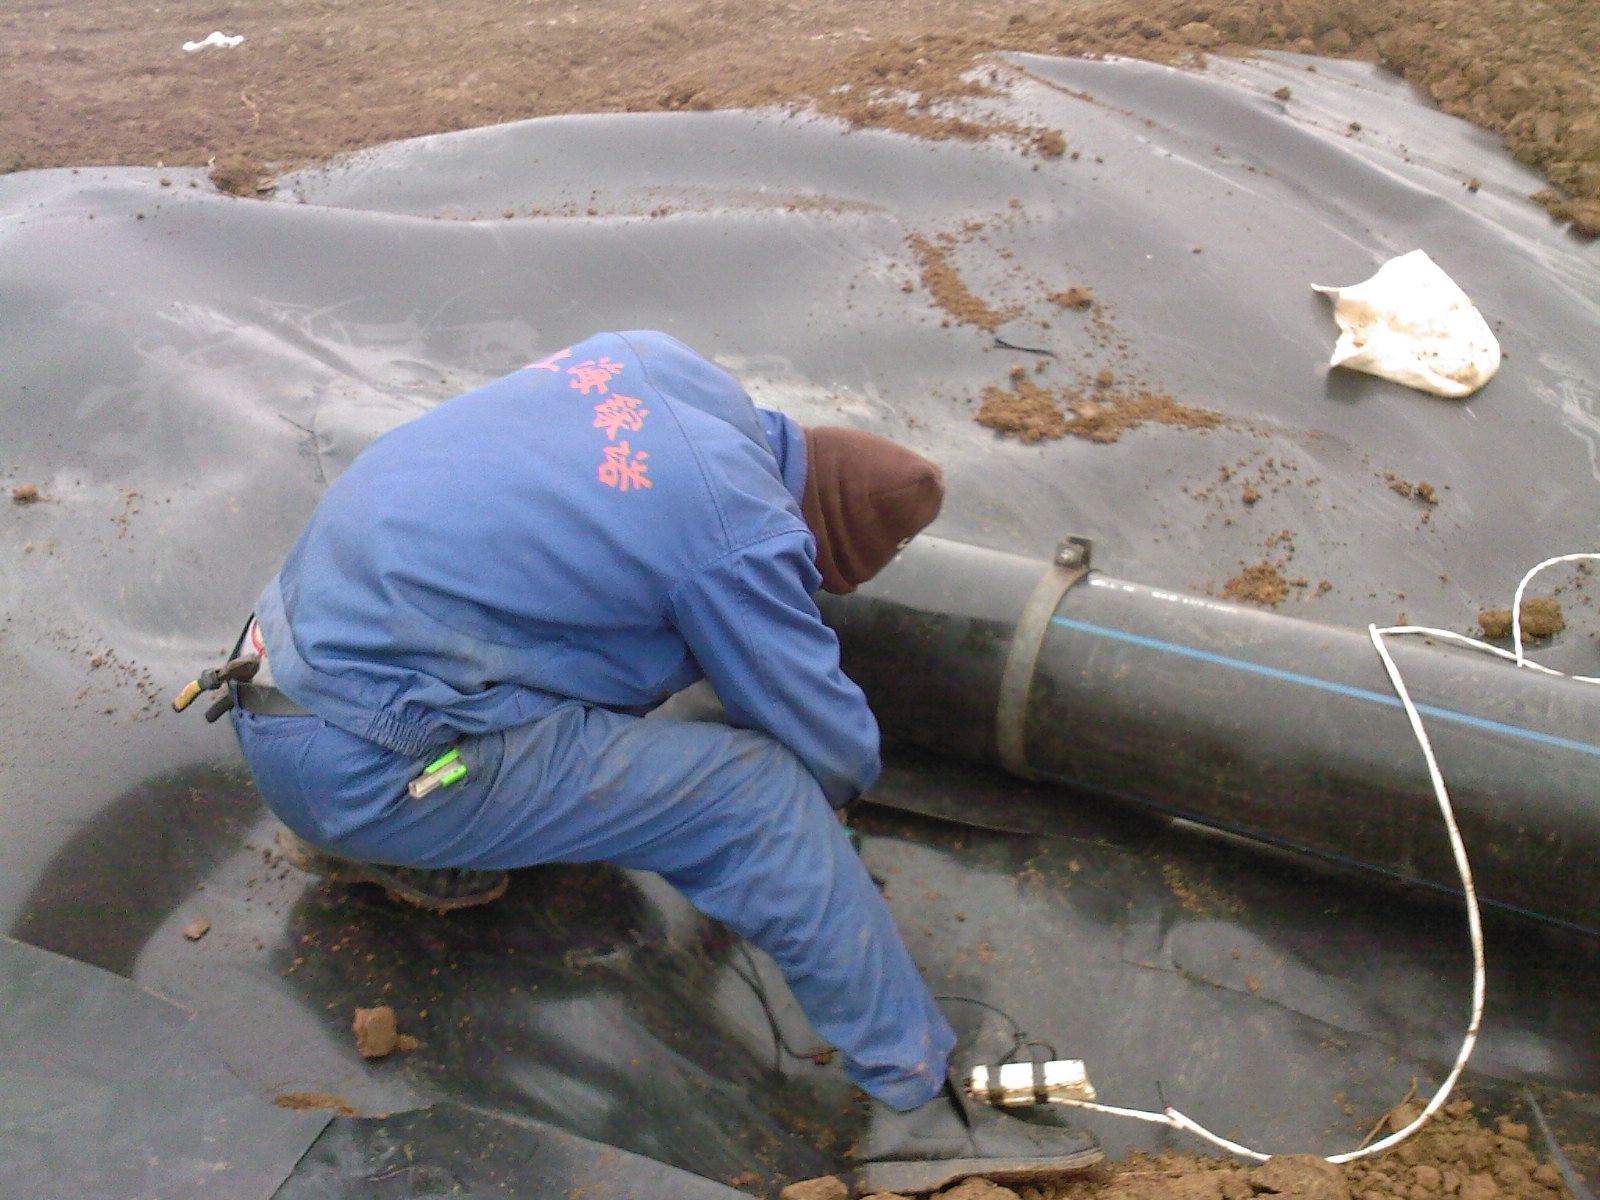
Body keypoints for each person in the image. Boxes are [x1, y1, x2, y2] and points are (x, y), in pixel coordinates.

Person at [224, 330, 1100, 1191]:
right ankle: (916, 1113)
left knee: (597, 650)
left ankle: (385, 844)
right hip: (371, 766)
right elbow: (822, 743)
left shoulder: (650, 362)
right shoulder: (737, 533)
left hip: (277, 667)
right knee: (754, 797)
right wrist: (825, 810)